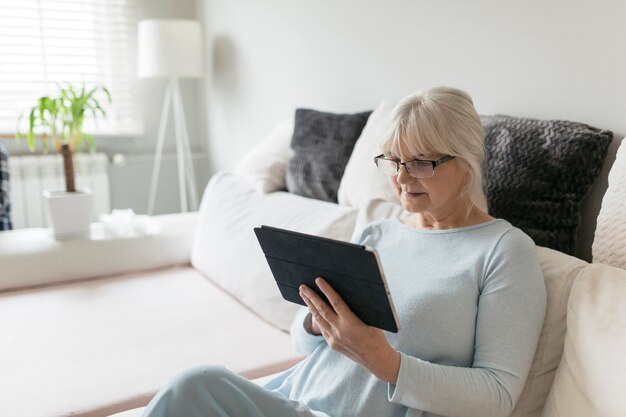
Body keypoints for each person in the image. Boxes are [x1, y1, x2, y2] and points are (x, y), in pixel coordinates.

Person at [141, 87, 547, 417]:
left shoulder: (503, 252)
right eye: (394, 161)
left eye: (421, 162)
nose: (402, 178)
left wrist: (384, 361)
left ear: (467, 161)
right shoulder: (379, 233)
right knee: (194, 390)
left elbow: (497, 395)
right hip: (295, 399)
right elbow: (306, 348)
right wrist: (319, 322)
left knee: (194, 386)